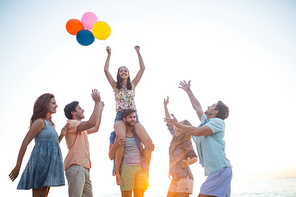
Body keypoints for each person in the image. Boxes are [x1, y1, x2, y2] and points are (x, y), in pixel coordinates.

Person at [164, 80, 232, 197]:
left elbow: (197, 131)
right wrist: (188, 91)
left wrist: (178, 124)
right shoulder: (206, 121)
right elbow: (197, 107)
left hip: (220, 170)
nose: (208, 106)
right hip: (215, 172)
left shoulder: (217, 122)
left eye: (212, 106)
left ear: (215, 112)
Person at [104, 45, 153, 185]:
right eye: (121, 71)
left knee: (149, 143)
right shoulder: (115, 86)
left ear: (128, 73)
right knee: (121, 139)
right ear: (118, 74)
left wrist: (138, 52)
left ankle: (146, 171)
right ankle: (118, 173)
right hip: (120, 116)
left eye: (125, 71)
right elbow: (105, 70)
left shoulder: (133, 85)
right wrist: (109, 54)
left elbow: (142, 69)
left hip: (133, 116)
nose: (123, 72)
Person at [9, 93, 65, 197]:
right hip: (41, 163)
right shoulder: (39, 122)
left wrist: (62, 134)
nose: (56, 105)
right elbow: (24, 143)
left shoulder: (51, 125)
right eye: (53, 103)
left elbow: (54, 144)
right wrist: (18, 166)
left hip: (49, 164)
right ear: (45, 105)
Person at [60, 89, 104, 197]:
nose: (82, 110)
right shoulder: (72, 123)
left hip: (84, 167)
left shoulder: (80, 127)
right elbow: (91, 123)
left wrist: (100, 110)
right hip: (76, 166)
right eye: (79, 108)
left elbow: (95, 127)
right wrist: (96, 103)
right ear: (73, 113)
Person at [109, 109, 151, 197]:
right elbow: (111, 156)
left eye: (134, 117)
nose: (133, 119)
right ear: (124, 119)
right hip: (126, 169)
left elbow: (146, 149)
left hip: (140, 169)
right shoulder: (115, 135)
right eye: (130, 117)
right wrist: (116, 144)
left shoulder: (138, 134)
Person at [164, 96, 198, 197]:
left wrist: (187, 162)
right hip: (174, 178)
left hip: (184, 178)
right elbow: (169, 122)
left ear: (184, 128)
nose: (177, 124)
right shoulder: (175, 138)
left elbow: (195, 158)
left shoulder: (186, 142)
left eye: (181, 123)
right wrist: (165, 106)